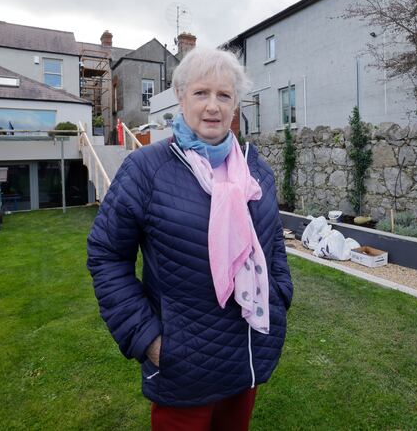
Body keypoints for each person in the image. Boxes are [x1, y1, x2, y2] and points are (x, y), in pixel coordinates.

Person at [87, 47, 293, 430]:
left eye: (224, 95)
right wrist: (148, 339)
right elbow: (106, 256)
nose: (212, 106)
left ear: (235, 106)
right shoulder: (146, 169)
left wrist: (279, 296)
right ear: (181, 98)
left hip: (248, 351)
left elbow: (272, 244)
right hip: (183, 365)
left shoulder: (255, 170)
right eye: (201, 93)